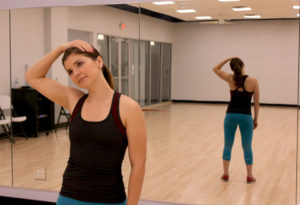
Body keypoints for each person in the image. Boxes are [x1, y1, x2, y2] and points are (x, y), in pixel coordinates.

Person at [25, 40, 147, 205]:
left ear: (99, 61)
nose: (76, 72)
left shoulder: (128, 108)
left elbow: (138, 166)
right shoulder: (74, 100)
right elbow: (32, 77)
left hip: (109, 200)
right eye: (70, 71)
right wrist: (61, 48)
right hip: (68, 198)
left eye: (79, 64)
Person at [213, 57, 259, 183]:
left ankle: (225, 174)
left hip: (230, 116)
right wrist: (255, 119)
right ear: (243, 65)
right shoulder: (254, 81)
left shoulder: (230, 78)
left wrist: (227, 59)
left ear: (232, 68)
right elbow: (256, 103)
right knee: (247, 146)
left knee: (228, 145)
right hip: (246, 117)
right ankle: (249, 176)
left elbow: (215, 69)